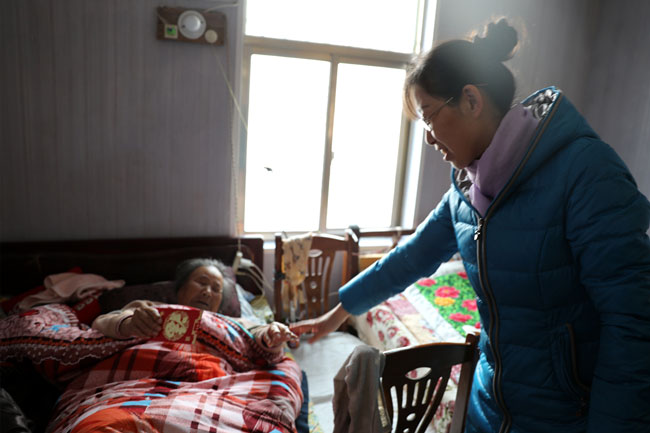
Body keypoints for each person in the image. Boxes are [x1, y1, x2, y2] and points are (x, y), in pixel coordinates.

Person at [290, 18, 650, 433]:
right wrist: (336, 314)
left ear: (471, 100)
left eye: (428, 116)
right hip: (487, 405)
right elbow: (410, 258)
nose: (428, 138)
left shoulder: (585, 171)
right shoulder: (467, 189)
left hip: (562, 416)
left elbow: (633, 321)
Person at [93, 258, 298, 352]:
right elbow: (101, 324)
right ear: (181, 289)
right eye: (201, 282)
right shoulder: (151, 308)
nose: (207, 292)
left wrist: (272, 333)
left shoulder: (230, 322)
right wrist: (129, 324)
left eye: (216, 289)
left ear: (220, 303)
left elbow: (256, 331)